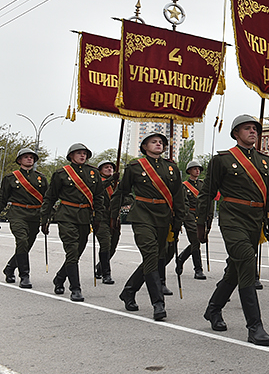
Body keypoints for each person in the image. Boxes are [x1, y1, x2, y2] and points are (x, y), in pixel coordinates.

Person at [197, 115, 269, 346]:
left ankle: (213, 309)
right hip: (232, 218)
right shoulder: (222, 160)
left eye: (255, 129)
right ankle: (255, 326)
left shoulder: (265, 162)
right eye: (247, 128)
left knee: (235, 270)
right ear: (235, 133)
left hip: (255, 220)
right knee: (247, 264)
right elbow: (207, 194)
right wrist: (201, 223)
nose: (252, 132)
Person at [112, 133, 186, 320]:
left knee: (154, 258)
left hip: (164, 216)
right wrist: (113, 216)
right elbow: (122, 192)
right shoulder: (135, 167)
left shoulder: (171, 168)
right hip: (143, 215)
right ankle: (158, 304)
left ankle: (129, 291)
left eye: (161, 142)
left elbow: (178, 196)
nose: (159, 144)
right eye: (154, 142)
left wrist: (178, 220)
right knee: (151, 255)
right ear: (144, 146)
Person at [41, 143, 109, 302]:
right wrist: (45, 218)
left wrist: (98, 216)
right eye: (78, 153)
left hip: (85, 217)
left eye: (84, 153)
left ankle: (59, 278)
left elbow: (99, 196)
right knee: (71, 251)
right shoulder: (61, 174)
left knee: (77, 252)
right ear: (71, 156)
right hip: (66, 216)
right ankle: (75, 288)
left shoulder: (93, 173)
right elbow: (50, 197)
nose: (82, 156)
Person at [2, 148, 47, 289]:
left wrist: (47, 218)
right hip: (17, 214)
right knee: (21, 241)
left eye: (31, 157)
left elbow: (47, 199)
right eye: (26, 157)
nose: (29, 159)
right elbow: (2, 199)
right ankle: (25, 276)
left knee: (26, 245)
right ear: (19, 160)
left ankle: (9, 268)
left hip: (34, 215)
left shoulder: (41, 178)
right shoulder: (10, 178)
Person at [174, 160, 208, 280]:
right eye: (195, 169)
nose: (197, 171)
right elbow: (183, 203)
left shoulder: (203, 185)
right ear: (189, 171)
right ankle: (198, 269)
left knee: (198, 240)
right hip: (189, 215)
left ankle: (181, 259)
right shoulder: (184, 186)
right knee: (195, 241)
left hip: (200, 215)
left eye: (199, 169)